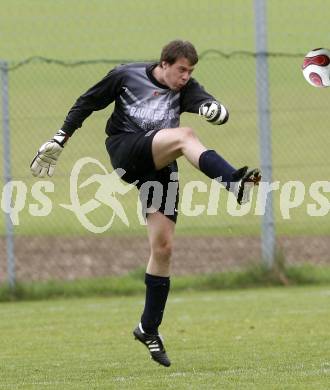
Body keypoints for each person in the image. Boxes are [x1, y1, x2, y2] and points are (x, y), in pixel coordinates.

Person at [30, 40, 261, 367]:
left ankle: (148, 327)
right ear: (164, 64)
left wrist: (216, 109)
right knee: (185, 136)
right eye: (181, 70)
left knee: (163, 247)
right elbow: (87, 103)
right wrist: (60, 138)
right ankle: (233, 182)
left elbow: (206, 102)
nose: (185, 77)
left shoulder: (186, 88)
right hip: (125, 149)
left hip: (158, 166)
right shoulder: (126, 76)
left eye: (190, 71)